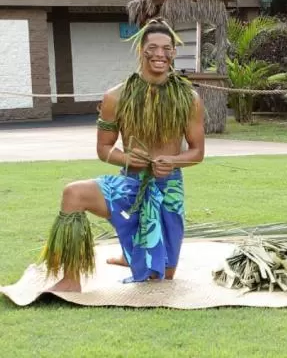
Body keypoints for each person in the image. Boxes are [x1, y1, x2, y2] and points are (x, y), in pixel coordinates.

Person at [40, 19, 205, 292]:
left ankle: (132, 256)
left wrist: (173, 161)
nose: (160, 54)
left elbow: (198, 152)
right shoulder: (115, 97)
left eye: (167, 48)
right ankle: (71, 279)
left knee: (162, 274)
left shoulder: (189, 99)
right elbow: (104, 148)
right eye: (153, 47)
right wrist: (127, 159)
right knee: (73, 193)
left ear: (174, 52)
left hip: (168, 189)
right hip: (129, 183)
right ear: (141, 49)